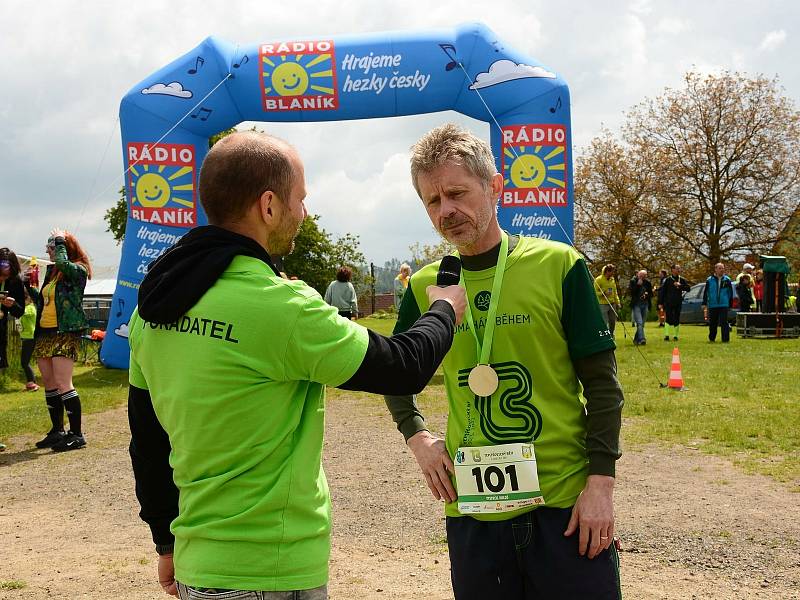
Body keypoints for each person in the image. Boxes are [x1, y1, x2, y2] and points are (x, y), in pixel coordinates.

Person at [127, 131, 466, 599]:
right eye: (300, 199)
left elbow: (146, 441)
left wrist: (165, 540)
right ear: (268, 206)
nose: (304, 212)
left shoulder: (152, 308)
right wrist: (446, 307)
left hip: (197, 563)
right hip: (272, 568)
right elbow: (404, 366)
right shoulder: (280, 307)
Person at [384, 124, 623, 599]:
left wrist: (601, 485)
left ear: (494, 187)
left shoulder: (559, 265)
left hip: (565, 504)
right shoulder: (424, 286)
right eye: (432, 201)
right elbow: (396, 373)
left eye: (456, 193)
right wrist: (418, 438)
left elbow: (602, 387)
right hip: (473, 510)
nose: (446, 210)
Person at [32, 230, 92, 451]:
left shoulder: (77, 270)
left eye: (51, 247)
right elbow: (46, 299)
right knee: (48, 381)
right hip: (46, 332)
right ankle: (57, 431)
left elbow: (63, 262)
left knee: (62, 382)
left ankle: (76, 435)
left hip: (66, 331)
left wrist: (59, 241)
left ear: (63, 248)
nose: (47, 251)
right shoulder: (52, 272)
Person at [0, 248, 26, 374]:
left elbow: (19, 312)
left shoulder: (16, 282)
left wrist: (12, 304)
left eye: (7, 276)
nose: (3, 279)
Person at [657, 264, 691, 342]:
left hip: (678, 302)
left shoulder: (681, 279)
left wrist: (680, 286)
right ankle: (666, 335)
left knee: (677, 317)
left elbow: (688, 288)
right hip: (668, 302)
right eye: (677, 269)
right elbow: (663, 292)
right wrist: (660, 302)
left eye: (679, 269)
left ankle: (676, 336)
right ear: (672, 270)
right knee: (668, 318)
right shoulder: (668, 280)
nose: (679, 270)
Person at [702, 262, 733, 343]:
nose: (721, 270)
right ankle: (712, 338)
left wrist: (730, 304)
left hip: (724, 304)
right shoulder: (709, 280)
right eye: (719, 268)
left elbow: (730, 292)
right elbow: (706, 292)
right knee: (713, 323)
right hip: (713, 304)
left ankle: (725, 339)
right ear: (715, 269)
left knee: (724, 322)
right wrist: (704, 303)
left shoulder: (727, 280)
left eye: (722, 268)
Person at [20, 286, 40, 391]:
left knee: (24, 362)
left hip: (30, 338)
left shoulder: (31, 308)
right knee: (24, 362)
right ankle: (31, 382)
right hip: (26, 337)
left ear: (28, 299)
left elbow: (22, 312)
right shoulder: (27, 307)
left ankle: (32, 383)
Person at [594, 264, 620, 338]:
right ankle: (604, 337)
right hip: (602, 304)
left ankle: (611, 335)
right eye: (612, 272)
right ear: (607, 271)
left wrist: (617, 302)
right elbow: (594, 292)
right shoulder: (598, 279)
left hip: (612, 303)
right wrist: (603, 293)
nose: (613, 273)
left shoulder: (612, 280)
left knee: (612, 322)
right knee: (604, 322)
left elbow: (615, 292)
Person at [629, 269, 653, 345]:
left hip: (645, 304)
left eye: (644, 276)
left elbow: (651, 294)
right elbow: (632, 292)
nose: (642, 278)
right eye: (641, 276)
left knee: (642, 324)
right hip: (636, 305)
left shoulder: (647, 282)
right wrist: (638, 285)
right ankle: (642, 339)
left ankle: (636, 340)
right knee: (639, 323)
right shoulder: (633, 281)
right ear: (638, 275)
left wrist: (646, 295)